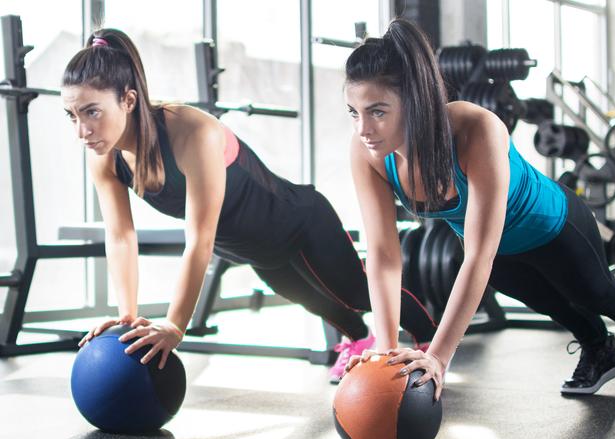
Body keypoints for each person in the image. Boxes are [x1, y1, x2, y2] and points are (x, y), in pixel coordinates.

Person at [63, 28, 435, 383]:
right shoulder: (105, 156)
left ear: (127, 100)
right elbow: (121, 236)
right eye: (73, 116)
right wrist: (126, 316)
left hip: (298, 222)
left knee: (355, 291)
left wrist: (175, 326)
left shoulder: (191, 131)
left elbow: (199, 240)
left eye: (92, 112)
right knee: (318, 303)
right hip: (255, 249)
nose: (82, 131)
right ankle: (360, 339)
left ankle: (428, 337)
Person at [344, 18, 615, 399]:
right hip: (500, 249)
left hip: (552, 226)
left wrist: (437, 357)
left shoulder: (476, 129)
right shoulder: (368, 153)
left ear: (415, 102)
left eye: (377, 111)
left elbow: (477, 255)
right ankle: (600, 348)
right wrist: (385, 346)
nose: (363, 129)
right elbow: (385, 255)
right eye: (353, 112)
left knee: (595, 294)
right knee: (547, 302)